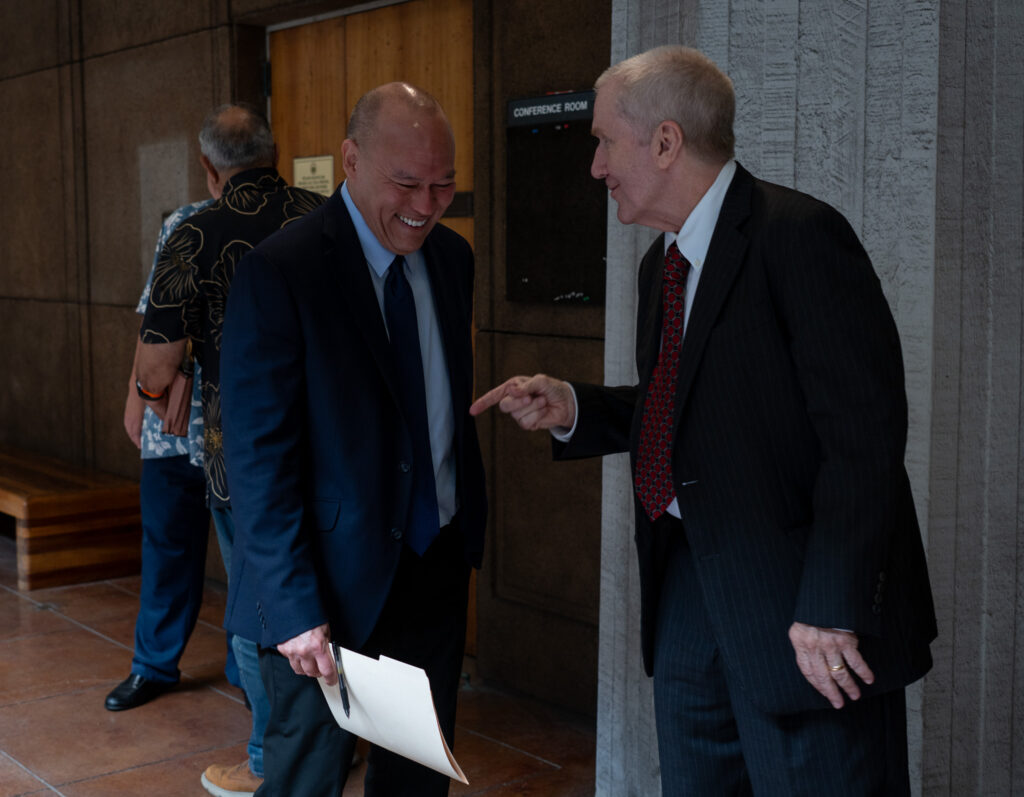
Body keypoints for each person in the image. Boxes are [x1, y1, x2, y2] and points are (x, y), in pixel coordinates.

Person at [470, 45, 937, 796]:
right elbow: (685, 413)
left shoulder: (800, 236)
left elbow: (864, 439)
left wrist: (831, 608)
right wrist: (577, 405)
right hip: (688, 589)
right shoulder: (665, 263)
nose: (594, 167)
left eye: (603, 141)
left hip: (802, 609)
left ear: (664, 141)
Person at [219, 82, 487, 797]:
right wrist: (294, 602)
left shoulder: (453, 261)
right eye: (407, 183)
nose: (426, 206)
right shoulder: (282, 270)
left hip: (432, 561)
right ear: (351, 160)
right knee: (308, 775)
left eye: (444, 184)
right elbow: (257, 458)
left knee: (417, 776)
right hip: (321, 582)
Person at [136, 103, 325, 797]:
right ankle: (335, 742)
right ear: (276, 152)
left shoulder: (195, 232)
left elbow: (157, 369)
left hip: (239, 455)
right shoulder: (327, 214)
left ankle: (268, 758)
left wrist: (152, 386)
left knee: (258, 609)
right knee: (331, 597)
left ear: (208, 167)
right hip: (337, 452)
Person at [105, 198, 217, 713]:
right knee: (167, 544)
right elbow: (155, 317)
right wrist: (135, 394)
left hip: (238, 427)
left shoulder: (293, 217)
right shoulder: (184, 222)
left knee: (251, 561)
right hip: (170, 419)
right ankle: (153, 665)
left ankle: (251, 673)